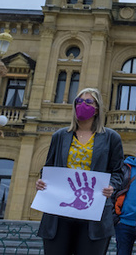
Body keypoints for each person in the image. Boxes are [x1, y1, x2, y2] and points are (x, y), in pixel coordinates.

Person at [36, 87, 124, 255]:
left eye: (88, 102)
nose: (82, 105)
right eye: (79, 101)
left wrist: (112, 186)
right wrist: (41, 182)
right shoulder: (60, 136)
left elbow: (118, 172)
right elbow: (48, 169)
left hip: (94, 214)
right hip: (59, 213)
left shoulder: (111, 138)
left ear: (97, 108)